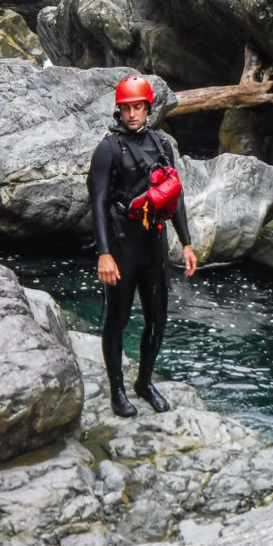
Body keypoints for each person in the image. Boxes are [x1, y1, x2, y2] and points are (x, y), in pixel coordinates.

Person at [87, 75, 198, 417]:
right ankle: (118, 390)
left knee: (158, 319)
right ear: (118, 110)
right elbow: (99, 203)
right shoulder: (108, 149)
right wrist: (104, 253)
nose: (132, 114)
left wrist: (187, 243)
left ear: (148, 109)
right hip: (122, 246)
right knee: (118, 319)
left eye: (138, 107)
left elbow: (173, 196)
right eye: (126, 108)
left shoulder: (162, 144)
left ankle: (144, 382)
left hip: (154, 245)